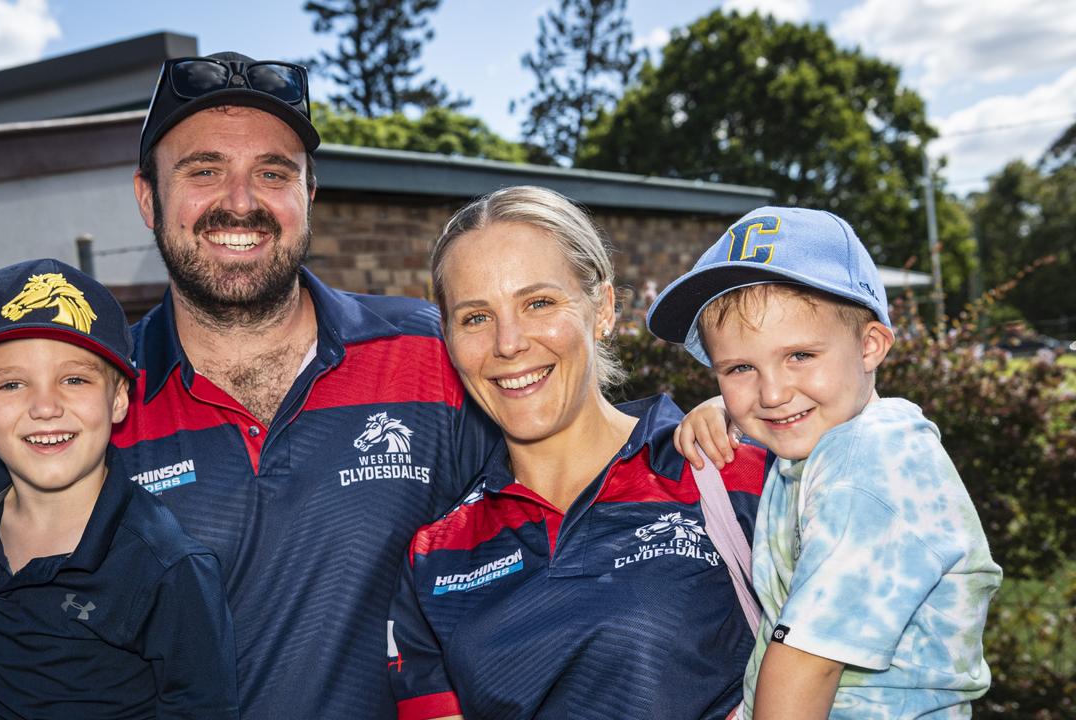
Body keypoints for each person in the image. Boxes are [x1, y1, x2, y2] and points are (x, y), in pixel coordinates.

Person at [0, 53, 496, 719]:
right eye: (204, 171)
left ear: (308, 195)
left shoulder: (428, 353)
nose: (240, 201)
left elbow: (541, 542)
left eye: (273, 172)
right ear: (149, 199)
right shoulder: (86, 398)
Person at [387, 186, 775, 719]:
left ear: (604, 309)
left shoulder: (735, 474)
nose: (508, 343)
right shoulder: (434, 556)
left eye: (538, 303)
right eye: (475, 317)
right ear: (448, 339)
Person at [648, 207, 1002, 719]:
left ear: (869, 345)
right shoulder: (833, 442)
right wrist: (726, 408)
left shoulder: (871, 463)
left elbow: (806, 665)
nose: (771, 393)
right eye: (741, 367)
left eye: (799, 356)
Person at [0, 258, 238, 718]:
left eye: (73, 379)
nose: (45, 407)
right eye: (12, 384)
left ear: (118, 398)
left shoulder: (166, 567)